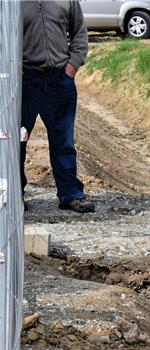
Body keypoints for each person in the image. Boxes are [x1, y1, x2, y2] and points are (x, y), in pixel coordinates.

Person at [20, 0, 95, 213]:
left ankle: (71, 195)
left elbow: (79, 32)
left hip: (59, 80)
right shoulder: (11, 3)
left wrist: (72, 66)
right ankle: (15, 196)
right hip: (25, 81)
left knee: (63, 141)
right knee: (16, 141)